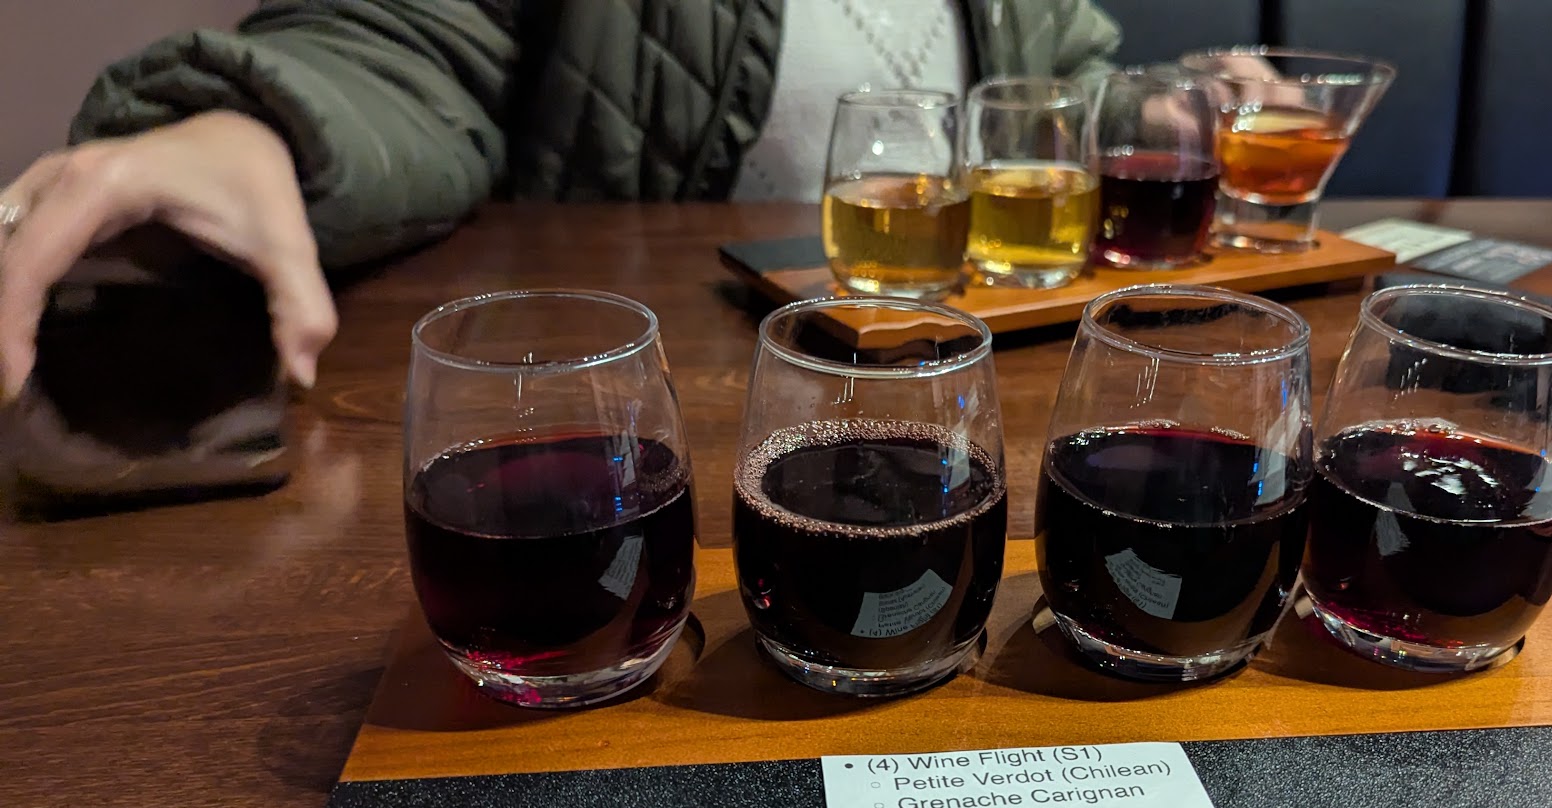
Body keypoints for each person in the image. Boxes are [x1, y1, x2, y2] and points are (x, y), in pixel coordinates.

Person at [0, 0, 1120, 400]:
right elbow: (406, 36)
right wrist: (255, 123)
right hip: (633, 404)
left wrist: (1156, 118)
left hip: (977, 393)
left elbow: (1069, 81)